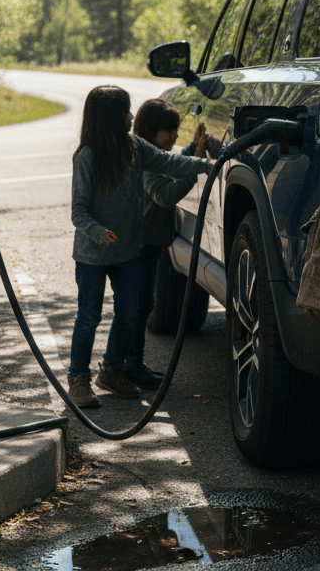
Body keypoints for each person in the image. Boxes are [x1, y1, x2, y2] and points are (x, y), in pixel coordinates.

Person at [67, 85, 211, 409]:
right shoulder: (88, 157)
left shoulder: (135, 148)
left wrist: (201, 164)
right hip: (93, 254)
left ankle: (112, 370)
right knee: (88, 316)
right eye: (125, 112)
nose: (131, 118)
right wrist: (98, 231)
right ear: (108, 119)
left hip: (128, 252)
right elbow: (78, 210)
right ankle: (78, 378)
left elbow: (170, 163)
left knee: (130, 312)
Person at [132, 98, 209, 380]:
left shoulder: (154, 154)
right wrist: (198, 165)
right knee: (139, 307)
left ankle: (132, 365)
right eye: (170, 131)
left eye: (177, 130)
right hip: (142, 246)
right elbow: (165, 195)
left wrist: (193, 149)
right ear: (151, 131)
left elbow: (176, 163)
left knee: (142, 306)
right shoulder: (146, 162)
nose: (175, 136)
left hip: (152, 243)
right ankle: (129, 366)